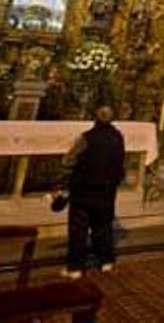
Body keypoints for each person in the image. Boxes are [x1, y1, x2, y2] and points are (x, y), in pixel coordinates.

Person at [62, 106, 126, 278]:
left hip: (84, 190)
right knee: (104, 226)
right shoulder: (118, 137)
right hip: (107, 190)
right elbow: (120, 162)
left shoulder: (87, 138)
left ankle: (75, 267)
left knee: (78, 229)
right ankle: (106, 261)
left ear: (95, 119)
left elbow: (68, 160)